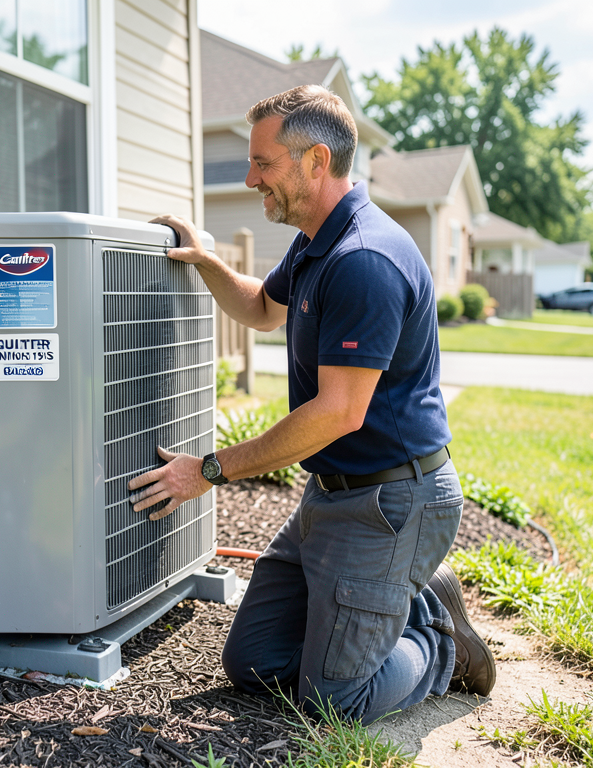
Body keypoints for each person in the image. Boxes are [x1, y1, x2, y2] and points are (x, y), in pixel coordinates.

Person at [129, 85, 495, 724]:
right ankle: (399, 601)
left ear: (316, 161)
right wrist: (207, 260)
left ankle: (440, 643)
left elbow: (336, 413)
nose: (250, 178)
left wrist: (208, 471)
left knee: (335, 704)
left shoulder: (364, 260)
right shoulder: (316, 240)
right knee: (255, 662)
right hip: (331, 497)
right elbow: (262, 309)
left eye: (264, 164)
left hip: (392, 503)